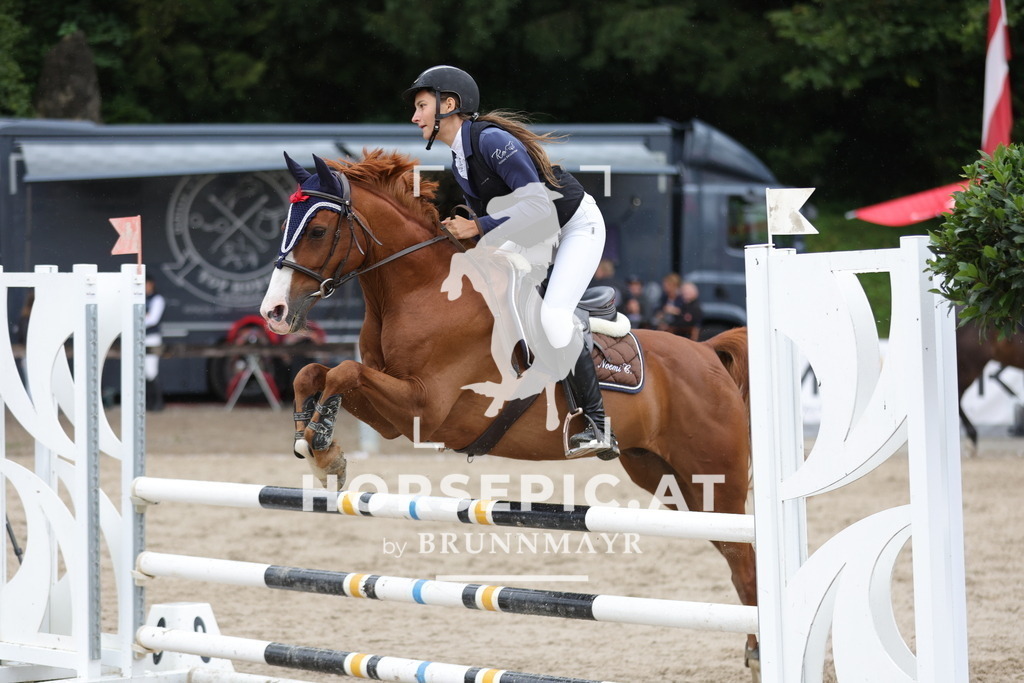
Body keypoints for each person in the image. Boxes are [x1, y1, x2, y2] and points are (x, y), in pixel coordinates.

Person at [404, 65, 618, 460]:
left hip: (573, 227)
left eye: (421, 106)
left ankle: (598, 423)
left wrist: (477, 227)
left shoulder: (491, 141)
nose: (415, 117)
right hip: (535, 237)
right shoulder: (460, 159)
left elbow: (537, 205)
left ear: (449, 105)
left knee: (553, 318)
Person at [145, 275, 166, 411]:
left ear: (152, 284)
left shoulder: (157, 299)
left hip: (152, 337)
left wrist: (137, 320)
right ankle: (148, 402)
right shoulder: (139, 298)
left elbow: (152, 319)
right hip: (139, 337)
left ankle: (158, 402)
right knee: (141, 371)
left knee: (151, 370)